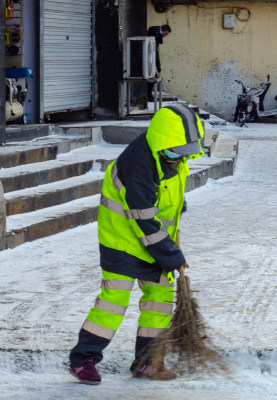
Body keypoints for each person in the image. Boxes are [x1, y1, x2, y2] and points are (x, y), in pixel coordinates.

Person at [68, 103, 204, 385]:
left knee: (160, 301)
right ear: (163, 140)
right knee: (113, 302)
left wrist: (177, 222)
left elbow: (169, 200)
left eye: (185, 152)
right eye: (177, 150)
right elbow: (142, 218)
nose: (181, 157)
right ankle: (83, 361)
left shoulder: (171, 158)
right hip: (122, 241)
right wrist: (172, 255)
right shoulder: (139, 164)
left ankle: (147, 363)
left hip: (154, 241)